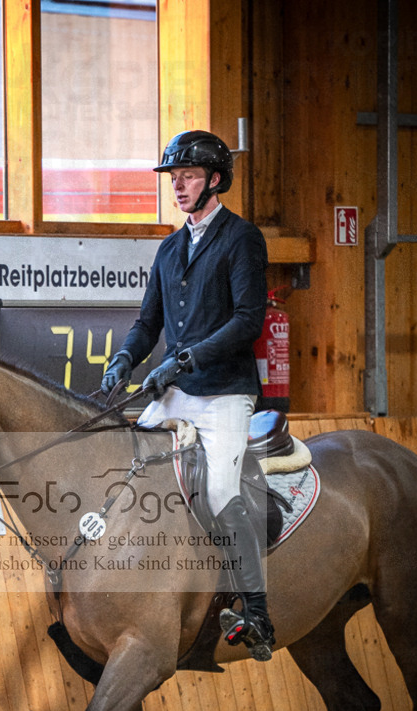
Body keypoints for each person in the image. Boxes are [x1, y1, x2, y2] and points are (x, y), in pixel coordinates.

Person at [101, 129, 275, 660]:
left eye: (189, 177)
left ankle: (257, 613)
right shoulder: (170, 248)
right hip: (178, 391)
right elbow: (147, 322)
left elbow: (248, 321)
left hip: (224, 393)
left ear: (215, 180)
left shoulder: (242, 239)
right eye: (174, 178)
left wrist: (186, 359)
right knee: (126, 471)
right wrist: (124, 357)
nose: (178, 186)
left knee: (220, 492)